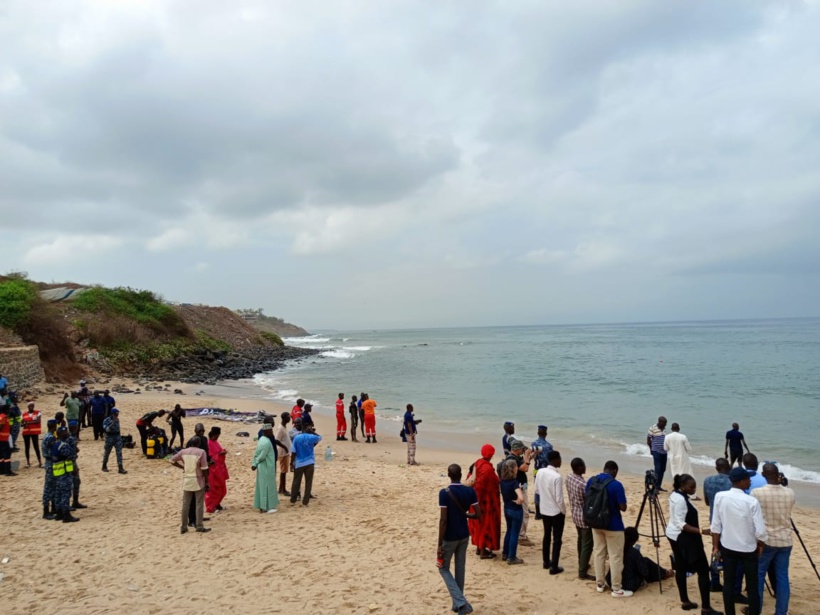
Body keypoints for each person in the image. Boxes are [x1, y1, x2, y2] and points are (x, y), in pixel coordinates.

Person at [711, 467, 767, 615]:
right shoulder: (751, 501)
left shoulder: (720, 496)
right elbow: (760, 531)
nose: (750, 482)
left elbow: (715, 525)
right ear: (742, 481)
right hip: (748, 548)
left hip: (728, 546)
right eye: (748, 479)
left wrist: (715, 546)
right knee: (752, 585)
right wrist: (761, 545)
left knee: (728, 583)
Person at [665, 474, 723, 614]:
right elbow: (681, 524)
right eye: (691, 487)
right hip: (683, 537)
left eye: (695, 487)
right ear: (682, 486)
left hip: (672, 534)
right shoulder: (681, 501)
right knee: (703, 570)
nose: (694, 489)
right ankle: (706, 608)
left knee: (680, 567)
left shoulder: (675, 495)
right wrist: (702, 531)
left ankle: (685, 601)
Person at [752, 463, 795, 615]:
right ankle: (781, 612)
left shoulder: (757, 493)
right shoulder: (790, 492)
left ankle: (756, 610)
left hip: (765, 541)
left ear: (763, 475)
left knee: (758, 575)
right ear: (778, 475)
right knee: (782, 576)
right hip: (785, 539)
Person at [438, 463, 480, 615]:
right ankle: (458, 604)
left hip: (450, 536)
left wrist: (439, 544)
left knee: (443, 568)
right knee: (460, 568)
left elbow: (443, 520)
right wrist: (468, 515)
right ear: (461, 475)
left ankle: (461, 602)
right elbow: (478, 514)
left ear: (449, 475)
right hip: (464, 534)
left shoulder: (444, 493)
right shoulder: (469, 491)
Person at [588, 460, 631, 597]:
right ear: (615, 471)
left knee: (599, 553)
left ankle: (600, 584)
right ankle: (616, 588)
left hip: (595, 522)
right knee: (615, 556)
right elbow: (623, 507)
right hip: (613, 525)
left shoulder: (592, 480)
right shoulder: (616, 485)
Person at [607, 527, 674, 593]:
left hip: (611, 581)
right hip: (628, 585)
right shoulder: (634, 552)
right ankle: (664, 573)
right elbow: (644, 572)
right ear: (634, 541)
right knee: (646, 563)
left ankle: (663, 573)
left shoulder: (616, 548)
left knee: (644, 561)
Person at [703, 458, 734, 592]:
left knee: (715, 549)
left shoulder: (708, 480)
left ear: (716, 468)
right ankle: (729, 581)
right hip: (730, 521)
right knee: (729, 552)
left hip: (714, 519)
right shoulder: (732, 482)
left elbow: (707, 502)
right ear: (729, 467)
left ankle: (714, 580)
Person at [170, 436, 211, 533]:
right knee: (199, 504)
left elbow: (172, 460)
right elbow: (204, 468)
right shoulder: (201, 452)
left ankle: (184, 527)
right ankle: (199, 526)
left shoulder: (183, 452)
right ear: (198, 443)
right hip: (198, 480)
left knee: (185, 504)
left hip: (187, 480)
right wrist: (207, 482)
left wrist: (182, 467)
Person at [466, 444, 500, 559]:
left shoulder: (478, 463)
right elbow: (481, 487)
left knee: (479, 525)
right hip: (484, 502)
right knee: (485, 526)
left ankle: (479, 548)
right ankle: (482, 552)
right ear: (491, 455)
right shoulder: (487, 469)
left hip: (478, 501)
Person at [534, 450, 565, 574]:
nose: (561, 461)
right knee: (557, 539)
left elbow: (536, 490)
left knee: (547, 535)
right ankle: (554, 566)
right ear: (555, 460)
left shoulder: (540, 471)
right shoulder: (557, 477)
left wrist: (546, 496)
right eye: (560, 459)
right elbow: (559, 499)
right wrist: (563, 511)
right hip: (556, 511)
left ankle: (546, 561)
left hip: (544, 509)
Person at [500, 440, 534, 546]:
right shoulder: (512, 459)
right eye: (522, 449)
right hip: (518, 489)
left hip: (517, 488)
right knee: (524, 513)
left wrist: (531, 456)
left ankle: (520, 534)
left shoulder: (515, 458)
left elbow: (523, 463)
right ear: (517, 449)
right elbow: (525, 468)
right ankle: (521, 536)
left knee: (523, 513)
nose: (523, 450)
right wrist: (527, 455)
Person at [565, 457, 594, 580]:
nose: (585, 467)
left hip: (575, 513)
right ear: (578, 468)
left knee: (580, 540)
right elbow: (589, 499)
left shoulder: (569, 477)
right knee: (587, 544)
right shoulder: (583, 485)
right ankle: (582, 571)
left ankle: (582, 562)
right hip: (584, 517)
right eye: (583, 466)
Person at [500, 457, 525, 565]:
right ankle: (512, 557)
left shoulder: (502, 481)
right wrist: (519, 500)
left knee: (509, 531)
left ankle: (505, 553)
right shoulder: (514, 482)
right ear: (513, 469)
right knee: (514, 533)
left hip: (507, 508)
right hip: (515, 510)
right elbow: (521, 498)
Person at [52, 426, 79, 522]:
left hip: (58, 473)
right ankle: (66, 515)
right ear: (59, 434)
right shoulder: (63, 445)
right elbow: (72, 455)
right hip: (64, 473)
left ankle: (59, 513)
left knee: (59, 493)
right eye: (64, 432)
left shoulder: (56, 444)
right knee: (65, 494)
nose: (66, 433)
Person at [290, 425, 322, 506]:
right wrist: (312, 432)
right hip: (309, 462)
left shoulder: (297, 438)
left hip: (299, 463)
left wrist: (291, 463)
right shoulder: (311, 437)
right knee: (308, 483)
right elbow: (320, 437)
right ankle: (305, 501)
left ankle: (293, 499)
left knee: (296, 482)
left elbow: (293, 452)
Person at [665, 423, 697, 499]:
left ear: (671, 429)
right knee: (687, 474)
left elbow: (665, 448)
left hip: (673, 458)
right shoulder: (683, 437)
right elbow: (689, 448)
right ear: (679, 429)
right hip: (683, 458)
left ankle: (678, 491)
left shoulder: (667, 437)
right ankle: (691, 495)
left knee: (676, 475)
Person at [252, 423, 279, 513]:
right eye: (270, 430)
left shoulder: (261, 439)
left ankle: (262, 506)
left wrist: (254, 463)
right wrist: (255, 463)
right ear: (266, 431)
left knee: (262, 487)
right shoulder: (267, 442)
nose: (272, 432)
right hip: (267, 467)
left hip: (262, 467)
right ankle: (266, 507)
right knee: (267, 487)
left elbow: (256, 453)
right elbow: (262, 456)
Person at [205, 426, 229, 513]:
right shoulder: (208, 443)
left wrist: (222, 453)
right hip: (213, 470)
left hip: (219, 469)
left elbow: (217, 453)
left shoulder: (216, 442)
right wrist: (220, 454)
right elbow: (210, 457)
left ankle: (217, 504)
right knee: (213, 489)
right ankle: (211, 506)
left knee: (221, 488)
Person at [41, 419, 58, 519]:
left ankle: (53, 508)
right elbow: (54, 451)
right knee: (49, 487)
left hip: (49, 462)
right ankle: (46, 511)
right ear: (54, 426)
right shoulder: (50, 437)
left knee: (52, 486)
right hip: (51, 463)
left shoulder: (47, 436)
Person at [101, 408, 127, 474]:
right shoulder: (106, 420)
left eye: (117, 414)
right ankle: (104, 466)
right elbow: (107, 429)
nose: (117, 415)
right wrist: (113, 423)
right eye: (116, 414)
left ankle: (120, 468)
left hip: (117, 437)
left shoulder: (117, 420)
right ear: (112, 414)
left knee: (119, 452)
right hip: (109, 438)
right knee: (107, 452)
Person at [647, 416, 668, 491]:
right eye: (664, 423)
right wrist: (651, 449)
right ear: (659, 422)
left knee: (663, 469)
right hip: (656, 451)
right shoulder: (652, 428)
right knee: (657, 469)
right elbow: (648, 440)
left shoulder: (665, 429)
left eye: (666, 423)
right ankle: (654, 487)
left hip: (664, 452)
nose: (665, 425)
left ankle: (658, 486)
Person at [274, 412, 292, 496]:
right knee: (283, 471)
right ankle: (283, 490)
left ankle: (281, 489)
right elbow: (276, 440)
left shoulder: (284, 427)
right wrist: (285, 447)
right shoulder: (280, 428)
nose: (290, 418)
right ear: (284, 418)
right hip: (283, 453)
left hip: (286, 452)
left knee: (284, 471)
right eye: (288, 417)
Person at [22, 402, 43, 467]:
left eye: (32, 406)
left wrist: (27, 423)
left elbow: (38, 420)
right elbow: (21, 423)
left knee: (36, 446)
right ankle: (28, 463)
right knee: (27, 447)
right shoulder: (24, 414)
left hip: (34, 432)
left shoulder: (38, 412)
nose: (31, 407)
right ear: (28, 407)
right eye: (30, 406)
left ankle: (40, 462)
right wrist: (23, 424)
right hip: (26, 432)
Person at [0, 404, 15, 476]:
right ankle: (8, 471)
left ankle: (2, 470)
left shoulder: (2, 416)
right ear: (6, 410)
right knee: (7, 455)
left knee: (1, 455)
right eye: (9, 409)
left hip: (3, 439)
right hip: (3, 439)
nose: (10, 410)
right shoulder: (4, 417)